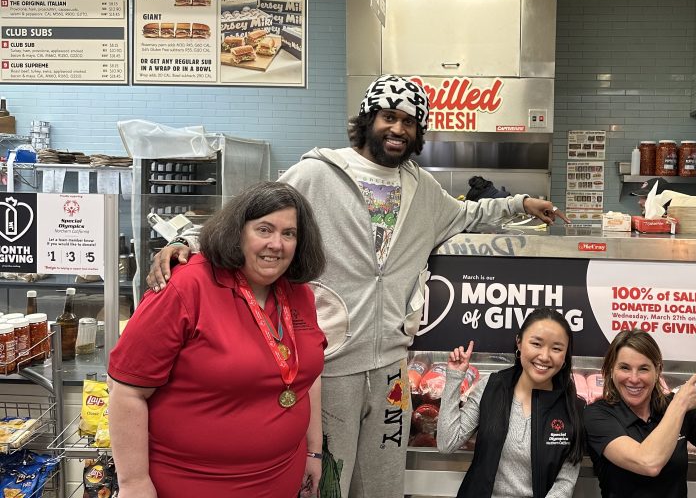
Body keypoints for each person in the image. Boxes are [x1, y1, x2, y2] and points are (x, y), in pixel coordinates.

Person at [145, 74, 568, 498]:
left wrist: (522, 204)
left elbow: (469, 215)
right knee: (326, 481)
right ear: (368, 119)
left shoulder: (422, 188)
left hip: (391, 369)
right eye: (389, 117)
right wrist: (187, 243)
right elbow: (251, 219)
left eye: (409, 122)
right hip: (326, 364)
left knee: (383, 484)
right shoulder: (316, 173)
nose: (399, 129)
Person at [109, 182, 327, 498]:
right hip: (194, 482)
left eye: (289, 234)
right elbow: (127, 391)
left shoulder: (299, 293)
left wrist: (313, 451)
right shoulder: (186, 286)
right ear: (238, 232)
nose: (276, 244)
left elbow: (307, 376)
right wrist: (134, 483)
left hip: (281, 478)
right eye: (264, 230)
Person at [437, 308, 585, 498]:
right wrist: (455, 377)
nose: (545, 356)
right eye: (536, 344)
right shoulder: (491, 387)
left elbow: (565, 482)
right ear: (519, 343)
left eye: (556, 348)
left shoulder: (573, 408)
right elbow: (447, 443)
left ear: (565, 354)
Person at [584, 330, 696, 498]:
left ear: (658, 370)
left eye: (643, 369)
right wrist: (679, 405)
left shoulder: (677, 408)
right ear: (611, 370)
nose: (633, 378)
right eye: (624, 368)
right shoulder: (598, 415)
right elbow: (648, 463)